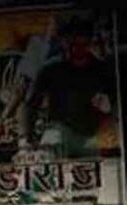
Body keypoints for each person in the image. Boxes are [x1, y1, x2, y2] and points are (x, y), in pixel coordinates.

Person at [20, 19, 117, 158]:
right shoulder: (51, 68)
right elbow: (31, 103)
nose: (78, 48)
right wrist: (28, 135)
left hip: (92, 133)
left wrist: (107, 104)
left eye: (83, 43)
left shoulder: (101, 70)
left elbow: (113, 102)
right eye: (74, 43)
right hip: (59, 130)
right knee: (51, 149)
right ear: (66, 43)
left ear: (89, 43)